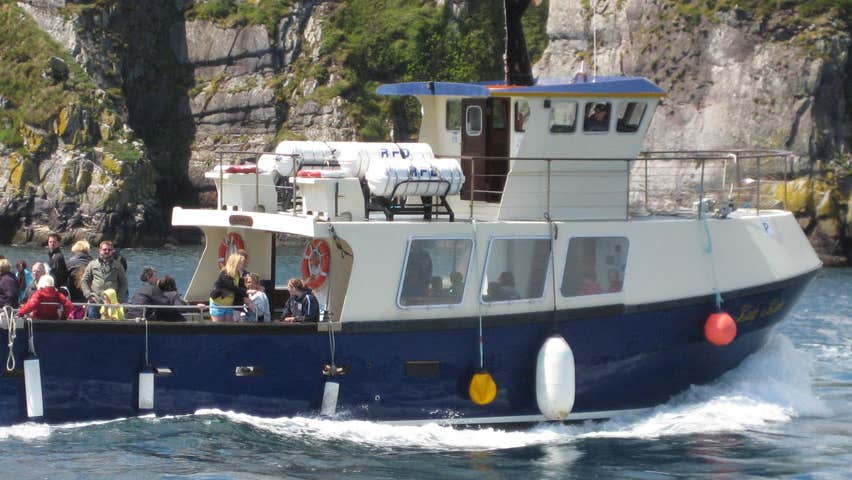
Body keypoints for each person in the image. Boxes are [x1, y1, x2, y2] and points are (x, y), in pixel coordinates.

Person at [81, 240, 128, 319]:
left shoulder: (118, 265)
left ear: (112, 251)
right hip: (95, 301)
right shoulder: (92, 264)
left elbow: (124, 283)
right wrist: (88, 294)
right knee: (93, 324)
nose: (107, 251)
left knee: (112, 326)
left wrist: (118, 299)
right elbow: (84, 281)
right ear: (100, 250)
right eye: (104, 249)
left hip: (112, 302)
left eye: (109, 250)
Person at [208, 252, 254, 322]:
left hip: (228, 304)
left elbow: (241, 287)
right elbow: (231, 287)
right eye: (240, 263)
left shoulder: (237, 274)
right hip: (218, 304)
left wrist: (247, 299)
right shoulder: (224, 273)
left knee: (230, 326)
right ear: (235, 263)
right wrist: (246, 291)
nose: (242, 265)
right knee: (219, 327)